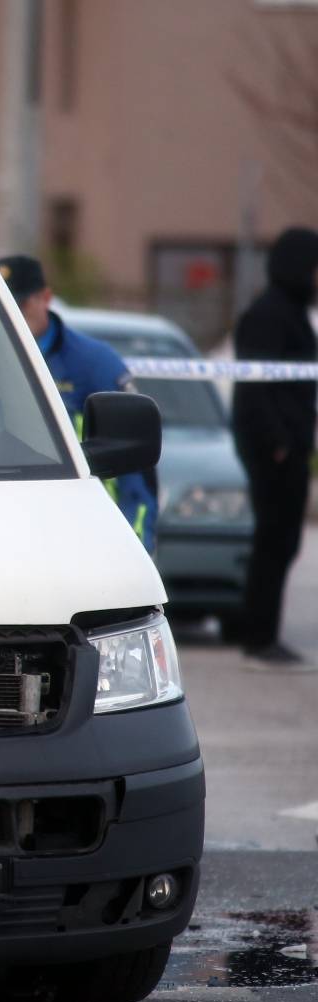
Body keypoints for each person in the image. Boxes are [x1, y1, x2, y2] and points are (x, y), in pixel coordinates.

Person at [0, 255, 158, 553]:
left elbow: (135, 470)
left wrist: (134, 547)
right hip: (3, 524)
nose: (10, 316)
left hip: (88, 523)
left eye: (18, 304)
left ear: (46, 298)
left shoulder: (94, 363)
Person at [230, 226, 318, 672]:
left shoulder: (293, 313)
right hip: (274, 451)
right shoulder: (269, 315)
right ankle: (258, 635)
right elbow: (256, 389)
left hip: (291, 446)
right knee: (273, 540)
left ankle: (266, 632)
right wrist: (279, 442)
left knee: (284, 543)